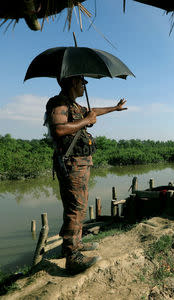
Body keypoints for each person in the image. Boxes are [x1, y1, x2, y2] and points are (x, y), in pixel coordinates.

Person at [44, 76, 127, 274]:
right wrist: (86, 121)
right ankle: (73, 257)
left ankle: (74, 245)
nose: (84, 86)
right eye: (82, 82)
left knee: (79, 206)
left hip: (80, 164)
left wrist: (114, 109)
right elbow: (59, 129)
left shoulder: (72, 105)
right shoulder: (58, 103)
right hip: (71, 164)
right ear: (73, 83)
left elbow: (94, 111)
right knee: (75, 207)